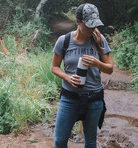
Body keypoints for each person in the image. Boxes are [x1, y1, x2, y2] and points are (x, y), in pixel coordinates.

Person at [51, 3, 113, 148]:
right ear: (78, 22)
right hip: (69, 98)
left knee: (90, 142)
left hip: (94, 98)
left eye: (95, 25)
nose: (93, 29)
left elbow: (109, 69)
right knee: (60, 141)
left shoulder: (99, 40)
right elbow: (54, 67)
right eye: (89, 25)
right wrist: (68, 77)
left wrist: (97, 63)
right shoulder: (64, 41)